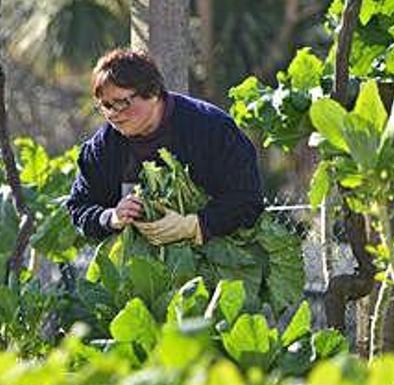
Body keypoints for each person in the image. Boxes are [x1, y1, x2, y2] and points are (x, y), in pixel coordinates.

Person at [66, 48, 264, 246]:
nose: (112, 114)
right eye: (105, 106)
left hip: (217, 261)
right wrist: (110, 217)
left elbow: (247, 197)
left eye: (120, 102)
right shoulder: (102, 147)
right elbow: (79, 207)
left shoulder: (212, 128)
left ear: (152, 93)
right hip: (138, 269)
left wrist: (196, 225)